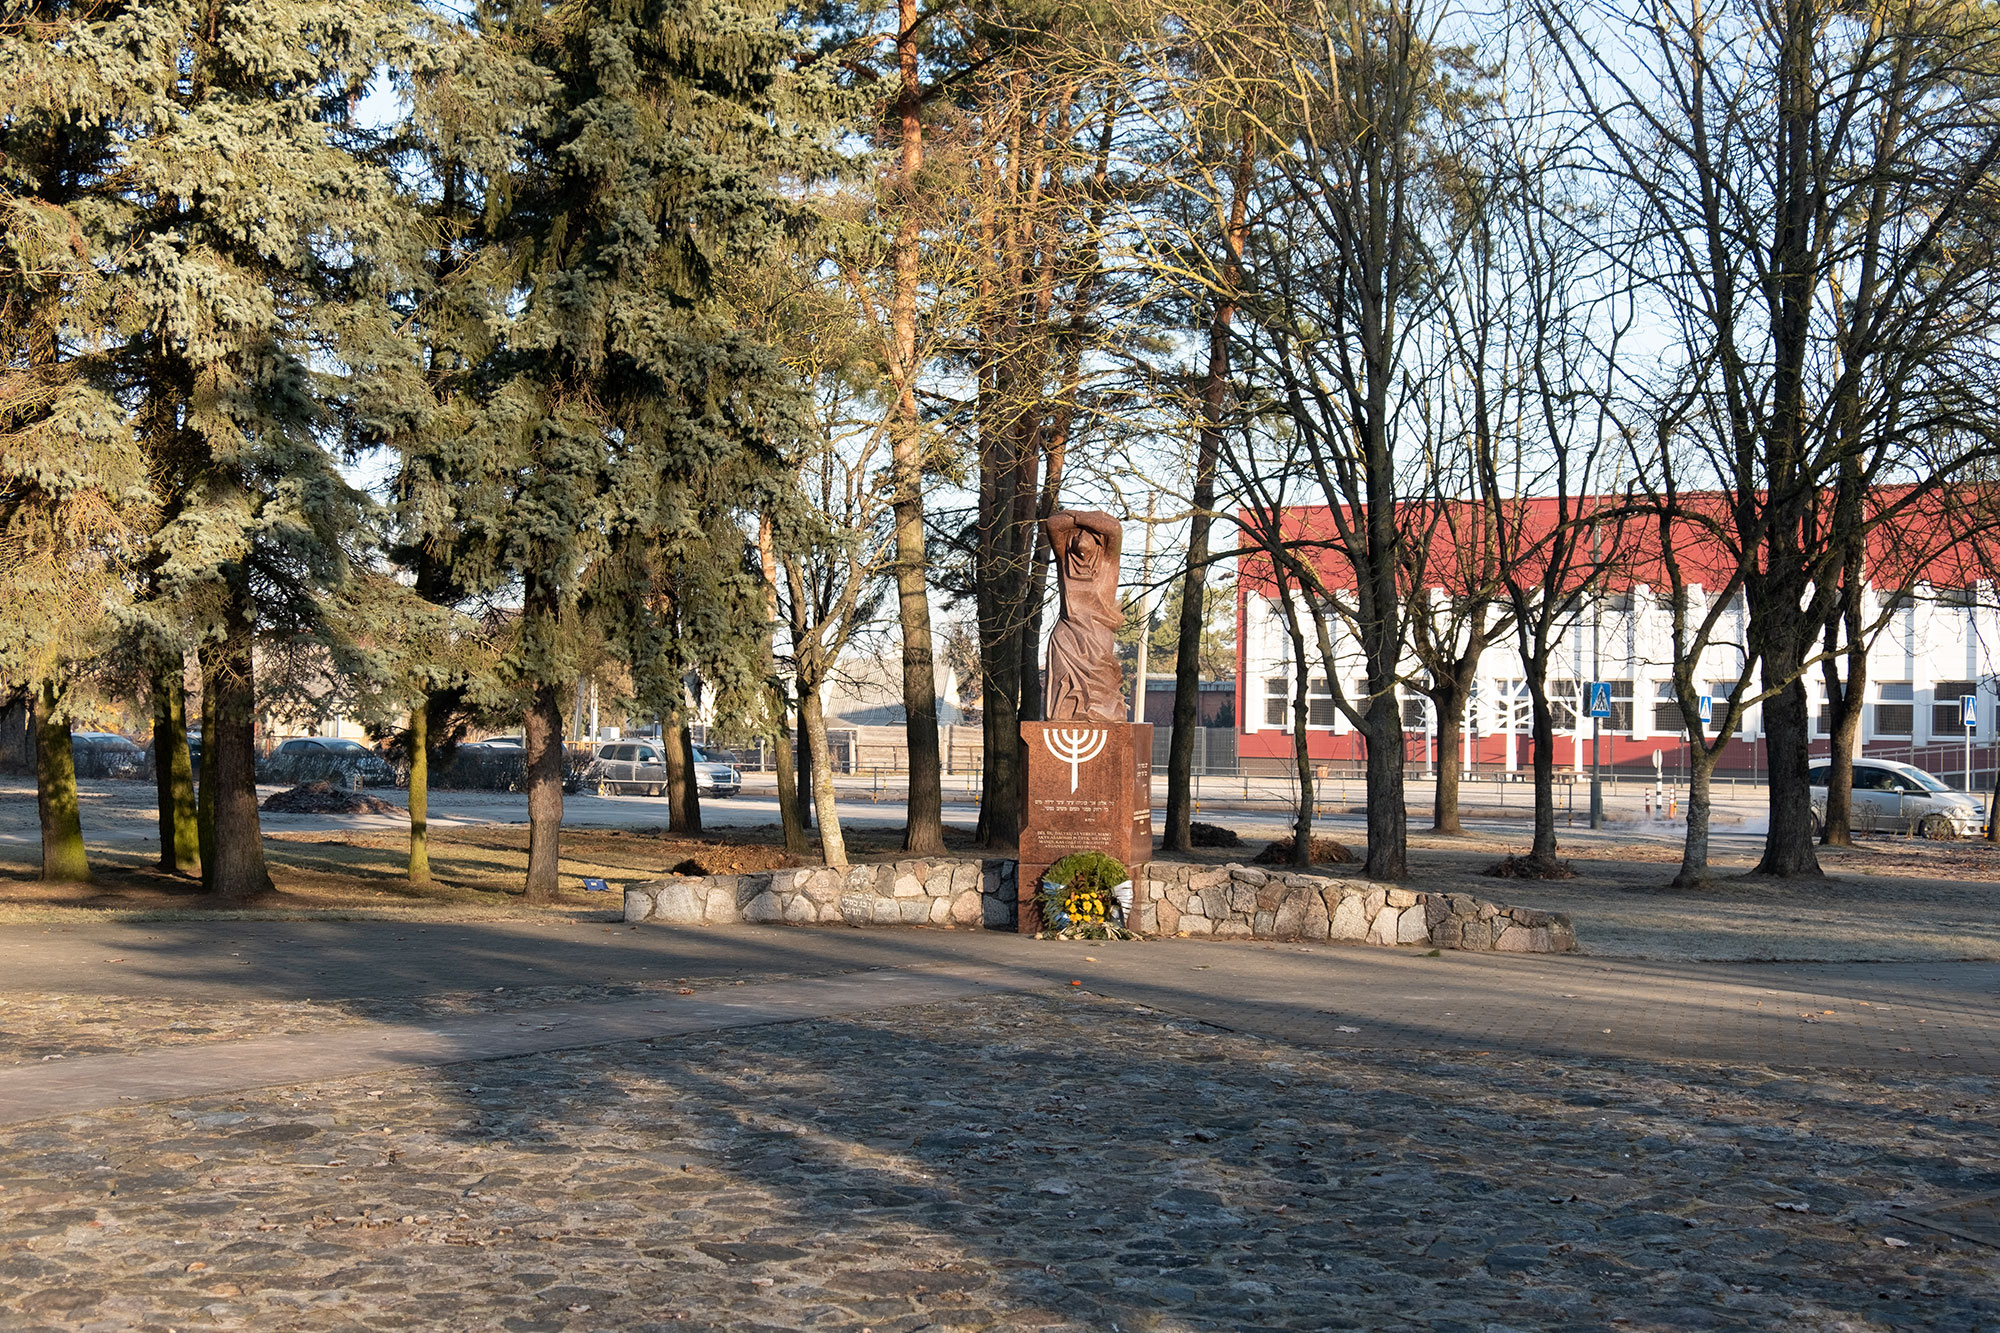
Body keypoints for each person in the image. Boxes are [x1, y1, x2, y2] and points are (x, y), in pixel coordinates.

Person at [1043, 509, 1125, 721]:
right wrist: (1080, 518)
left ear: (1099, 542)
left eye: (1088, 533)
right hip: (1067, 633)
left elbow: (1114, 529)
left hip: (1098, 633)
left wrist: (1077, 518)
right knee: (1062, 697)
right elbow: (1052, 524)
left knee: (1100, 694)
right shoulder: (1065, 558)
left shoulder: (1108, 561)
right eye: (1076, 534)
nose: (1080, 537)